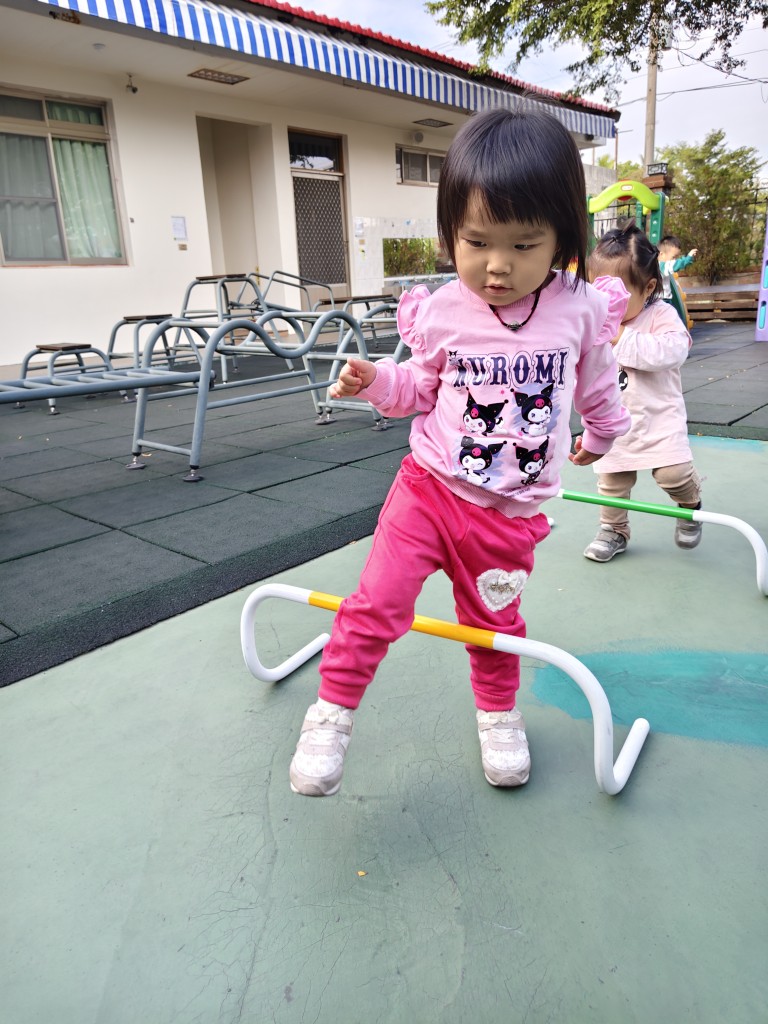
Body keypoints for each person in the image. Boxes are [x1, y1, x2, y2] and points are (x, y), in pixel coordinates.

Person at [289, 107, 631, 798]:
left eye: (523, 245)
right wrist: (375, 380)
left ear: (563, 237)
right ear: (450, 234)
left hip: (508, 515)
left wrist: (599, 436)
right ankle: (331, 713)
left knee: (492, 624)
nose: (497, 266)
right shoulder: (444, 308)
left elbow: (598, 387)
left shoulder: (581, 309)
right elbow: (419, 387)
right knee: (376, 604)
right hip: (429, 490)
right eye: (476, 242)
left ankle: (498, 715)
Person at [583, 222, 702, 563]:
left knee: (673, 475)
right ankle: (614, 530)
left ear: (648, 287)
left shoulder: (660, 315)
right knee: (612, 482)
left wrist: (621, 336)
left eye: (616, 296)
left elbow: (673, 352)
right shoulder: (594, 323)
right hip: (614, 423)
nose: (606, 304)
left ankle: (690, 506)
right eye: (598, 293)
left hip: (659, 419)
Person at [658, 235, 698, 302]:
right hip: (661, 301)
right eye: (673, 257)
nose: (675, 260)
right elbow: (676, 264)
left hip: (665, 299)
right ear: (662, 255)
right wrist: (688, 258)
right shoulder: (660, 266)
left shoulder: (664, 268)